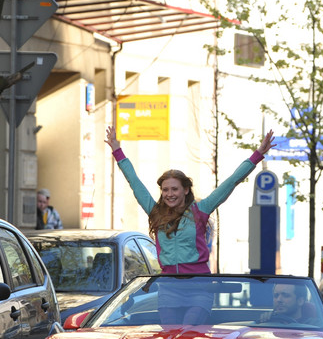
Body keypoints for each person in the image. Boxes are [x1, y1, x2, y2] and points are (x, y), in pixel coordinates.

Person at [105, 123, 274, 324]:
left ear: (185, 190)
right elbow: (134, 182)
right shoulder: (156, 213)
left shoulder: (200, 210)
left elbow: (231, 182)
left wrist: (258, 155)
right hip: (169, 287)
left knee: (189, 330)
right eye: (165, 190)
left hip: (199, 286)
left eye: (174, 189)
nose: (169, 194)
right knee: (171, 336)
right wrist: (117, 150)